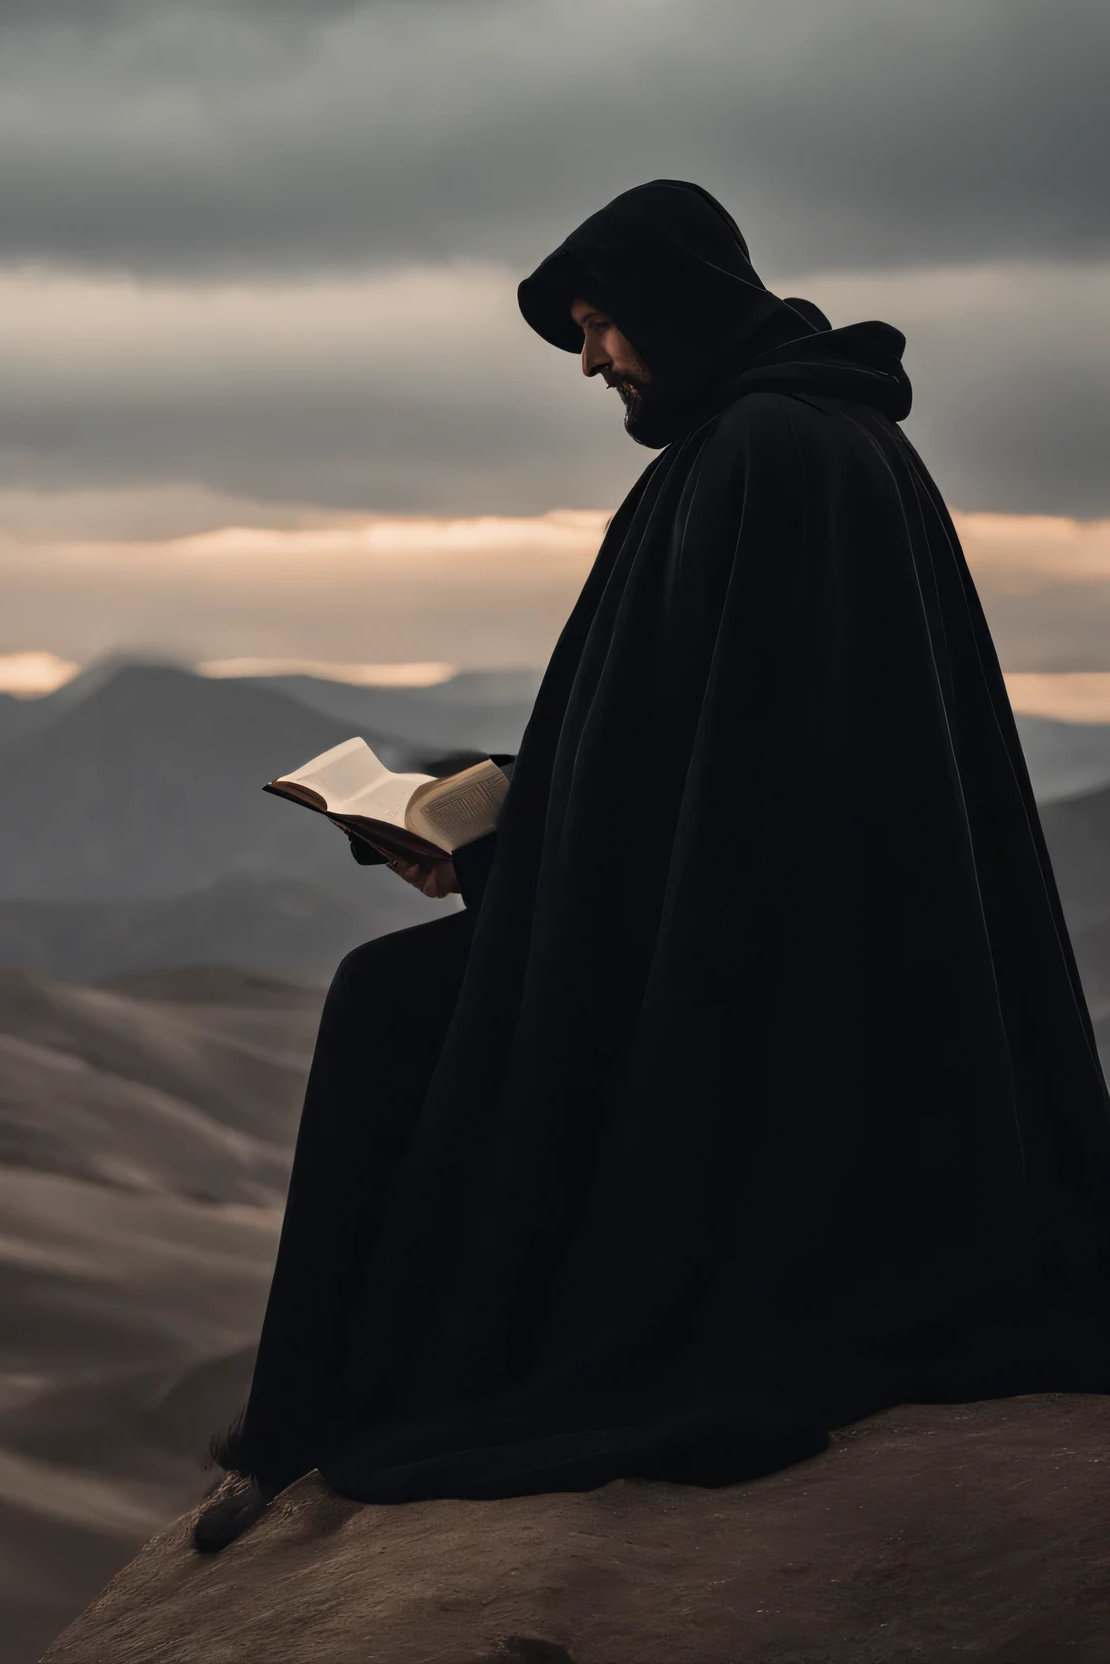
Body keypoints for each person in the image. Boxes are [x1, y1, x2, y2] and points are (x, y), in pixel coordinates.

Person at [193, 179, 1110, 1553]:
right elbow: (672, 741)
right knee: (393, 998)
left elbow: (729, 780)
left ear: (674, 307)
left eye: (602, 324)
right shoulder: (786, 441)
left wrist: (513, 865)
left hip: (746, 981)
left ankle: (319, 1418)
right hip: (724, 930)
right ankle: (305, 1418)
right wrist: (488, 826)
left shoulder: (770, 456)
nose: (591, 362)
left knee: (390, 1011)